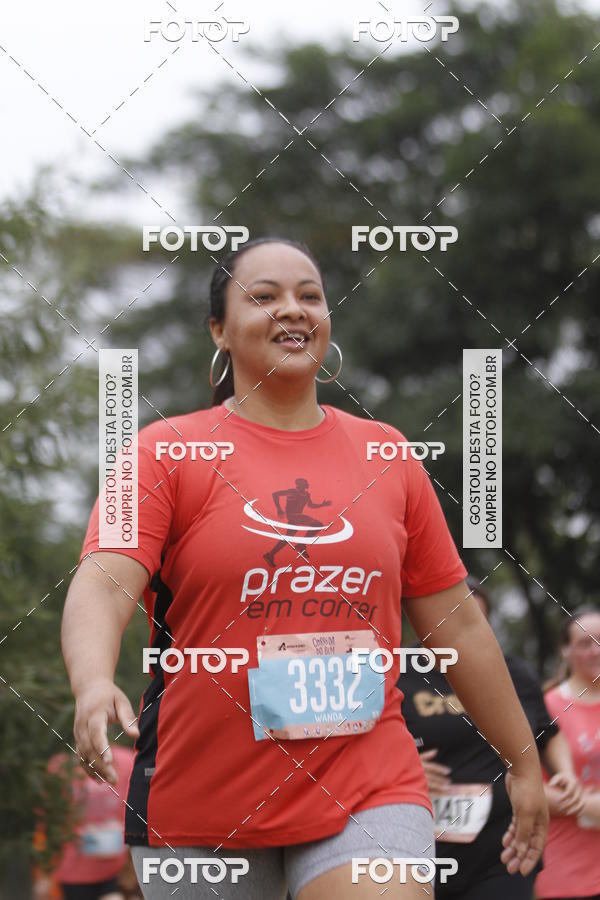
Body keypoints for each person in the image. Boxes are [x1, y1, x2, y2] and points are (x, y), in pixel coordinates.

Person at [62, 237, 549, 899]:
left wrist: (523, 761)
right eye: (264, 297)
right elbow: (104, 577)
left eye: (310, 296)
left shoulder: (389, 455)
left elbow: (458, 626)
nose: (292, 310)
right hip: (203, 798)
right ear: (219, 329)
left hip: (367, 778)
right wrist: (92, 681)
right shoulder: (163, 450)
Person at [402, 577, 582, 899]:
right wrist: (401, 768)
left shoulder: (513, 673)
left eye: (471, 619)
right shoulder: (396, 673)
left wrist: (564, 772)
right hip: (417, 845)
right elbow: (366, 742)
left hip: (501, 845)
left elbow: (544, 732)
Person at [535, 607, 600, 900]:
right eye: (585, 643)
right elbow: (528, 789)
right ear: (564, 650)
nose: (595, 651)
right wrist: (588, 807)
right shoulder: (546, 707)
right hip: (568, 874)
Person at [33, 745, 135, 900]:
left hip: (116, 869)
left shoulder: (126, 761)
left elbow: (137, 812)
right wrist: (43, 873)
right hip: (74, 871)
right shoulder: (61, 766)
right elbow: (48, 821)